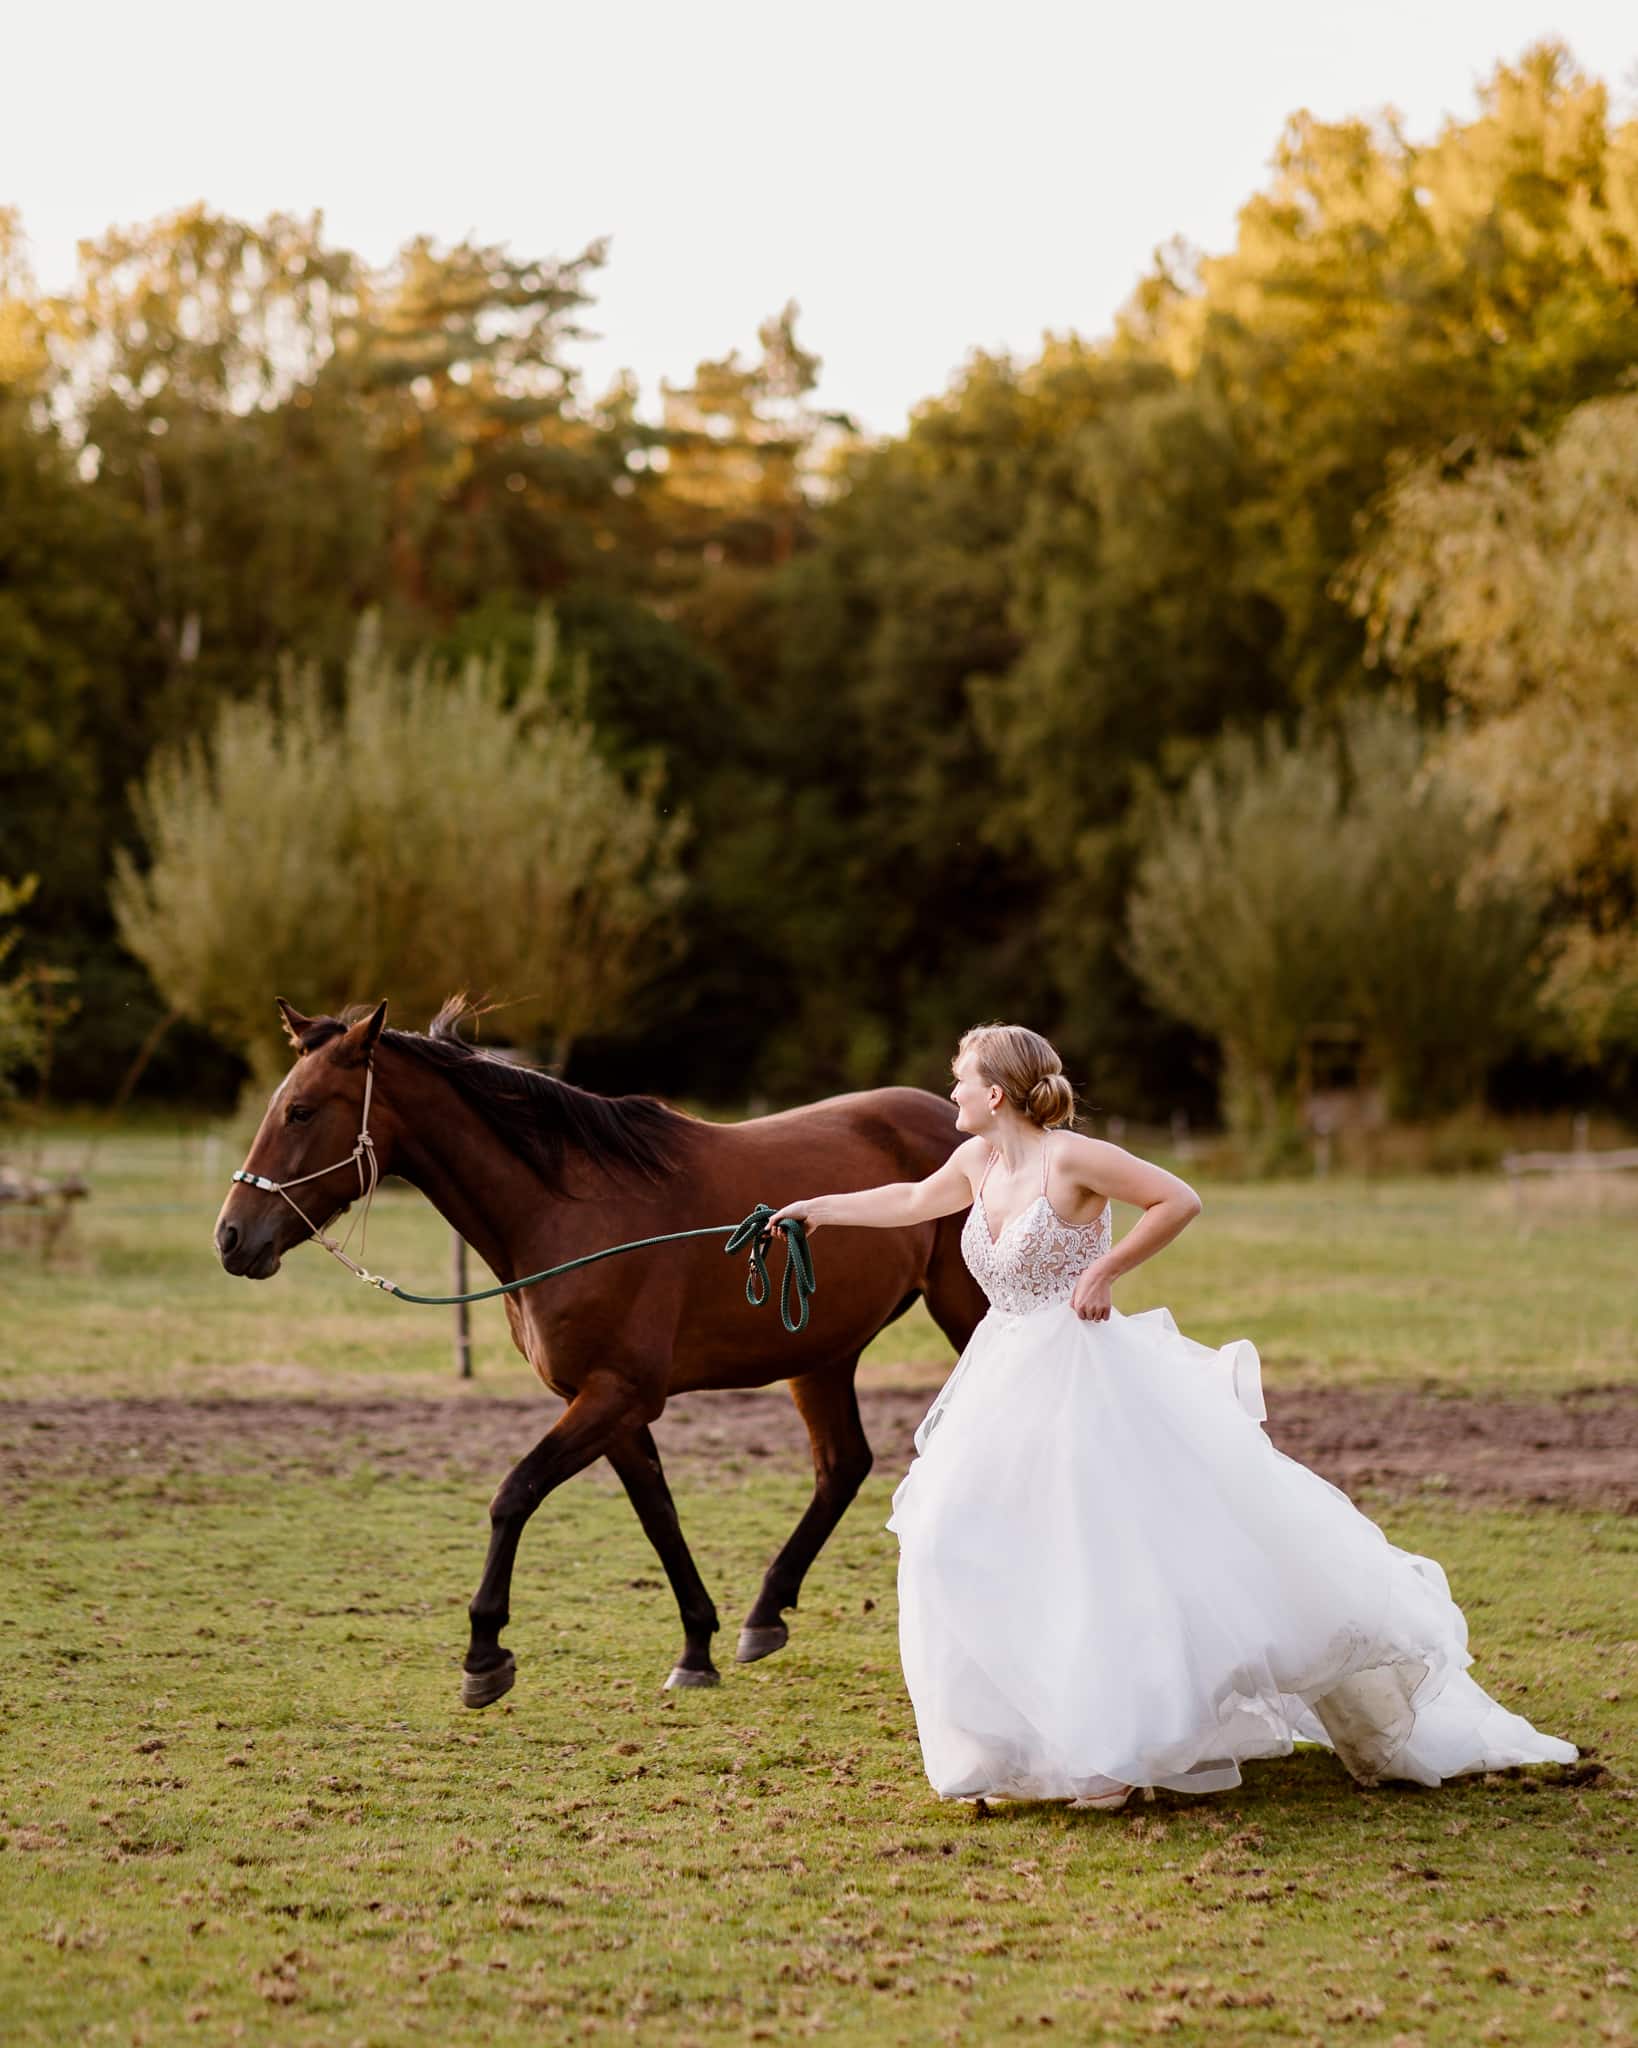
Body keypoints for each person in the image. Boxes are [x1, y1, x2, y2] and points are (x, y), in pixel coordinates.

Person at [768, 1023, 1577, 1810]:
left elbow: (1177, 1198)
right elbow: (911, 1198)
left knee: (1091, 1552)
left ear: (995, 1092)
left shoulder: (1071, 1158)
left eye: (959, 1076)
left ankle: (1118, 1754)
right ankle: (1005, 1745)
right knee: (953, 1534)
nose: (949, 1090)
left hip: (1082, 1373)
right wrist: (818, 1210)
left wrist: (1107, 1269)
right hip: (1001, 1375)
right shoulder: (977, 1159)